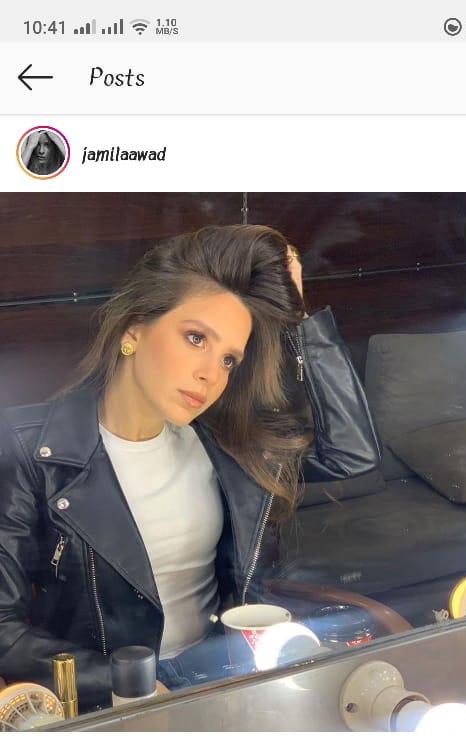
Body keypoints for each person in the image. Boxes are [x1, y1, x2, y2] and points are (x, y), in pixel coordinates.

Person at [0, 224, 380, 712]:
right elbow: (4, 627)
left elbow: (352, 456)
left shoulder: (226, 445)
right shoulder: (30, 449)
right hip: (114, 700)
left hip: (228, 676)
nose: (210, 374)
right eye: (196, 338)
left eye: (229, 360)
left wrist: (299, 325)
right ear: (134, 331)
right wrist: (128, 683)